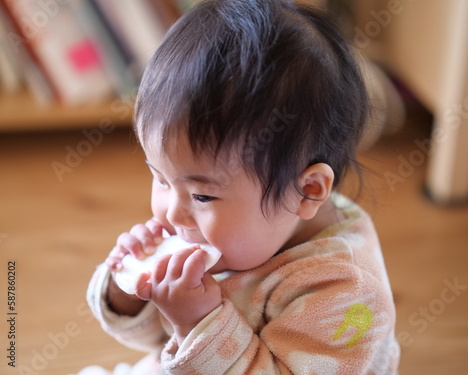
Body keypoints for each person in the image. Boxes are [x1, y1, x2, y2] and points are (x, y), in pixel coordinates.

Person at [82, 0, 400, 373]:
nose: (171, 212)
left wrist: (198, 323)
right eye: (161, 178)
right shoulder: (246, 227)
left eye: (201, 195)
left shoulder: (345, 294)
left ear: (308, 190)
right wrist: (132, 290)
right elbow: (161, 343)